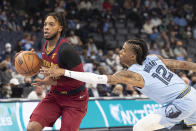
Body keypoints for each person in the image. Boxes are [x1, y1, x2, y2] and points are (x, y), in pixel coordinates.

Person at [41, 39, 196, 131]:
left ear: (133, 56)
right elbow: (181, 64)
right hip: (191, 94)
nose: (120, 52)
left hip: (180, 103)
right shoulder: (154, 58)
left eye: (123, 50)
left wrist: (65, 72)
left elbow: (96, 78)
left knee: (139, 128)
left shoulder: (131, 73)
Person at [28, 12, 89, 131]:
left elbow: (81, 80)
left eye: (51, 24)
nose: (46, 27)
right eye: (45, 24)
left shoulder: (67, 50)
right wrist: (31, 60)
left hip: (75, 98)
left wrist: (50, 82)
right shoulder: (44, 44)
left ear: (60, 28)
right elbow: (51, 66)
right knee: (32, 127)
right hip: (55, 95)